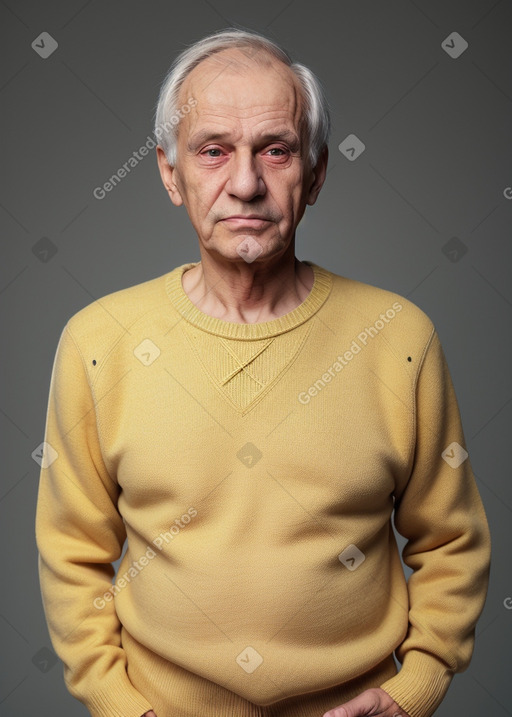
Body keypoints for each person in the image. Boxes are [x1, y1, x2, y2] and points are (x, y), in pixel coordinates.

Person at [35, 28, 491, 717]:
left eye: (275, 150)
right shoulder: (99, 342)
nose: (244, 183)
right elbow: (72, 555)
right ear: (168, 173)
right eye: (213, 150)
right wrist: (124, 707)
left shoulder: (399, 338)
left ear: (315, 173)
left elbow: (451, 541)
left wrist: (412, 691)